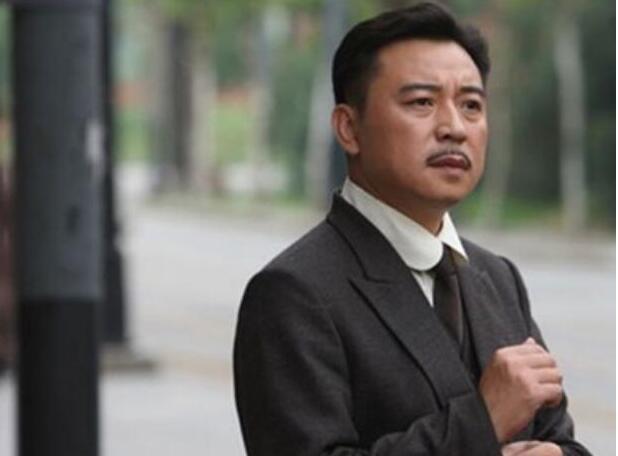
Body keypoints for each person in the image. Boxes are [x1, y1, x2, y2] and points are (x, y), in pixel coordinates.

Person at [233, 3, 592, 455]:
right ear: (348, 128)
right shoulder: (294, 293)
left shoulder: (498, 278)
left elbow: (561, 438)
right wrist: (481, 421)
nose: (454, 128)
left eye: (471, 105)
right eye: (422, 102)